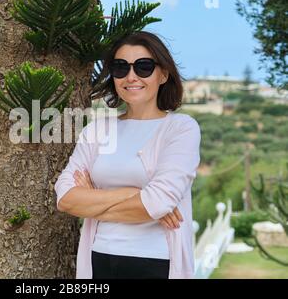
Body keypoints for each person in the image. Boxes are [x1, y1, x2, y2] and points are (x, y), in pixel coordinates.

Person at [54, 31, 201, 279]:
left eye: (143, 67)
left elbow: (158, 202)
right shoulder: (97, 130)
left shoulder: (181, 128)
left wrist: (92, 200)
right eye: (121, 68)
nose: (131, 76)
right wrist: (136, 195)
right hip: (99, 259)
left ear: (163, 74)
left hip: (155, 263)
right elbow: (66, 198)